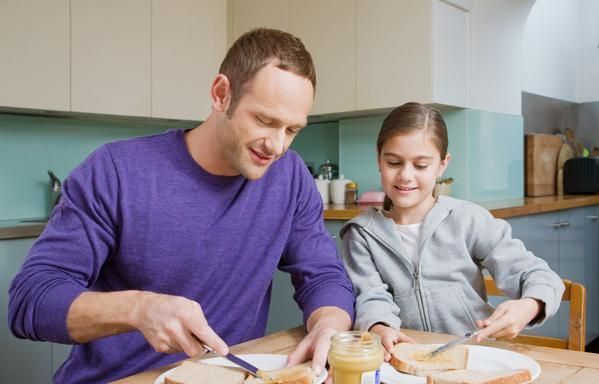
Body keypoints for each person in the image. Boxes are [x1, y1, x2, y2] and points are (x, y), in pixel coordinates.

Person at [8, 28, 354, 383]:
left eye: (292, 129)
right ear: (221, 94)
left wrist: (329, 325)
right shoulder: (116, 171)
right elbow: (31, 300)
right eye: (265, 121)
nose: (277, 145)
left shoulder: (290, 178)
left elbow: (323, 274)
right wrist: (140, 308)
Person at [340, 102, 565, 361]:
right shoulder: (361, 234)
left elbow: (537, 274)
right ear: (379, 159)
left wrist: (530, 305)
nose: (405, 175)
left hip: (475, 356)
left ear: (442, 165)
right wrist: (380, 328)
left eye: (421, 165)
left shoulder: (468, 219)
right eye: (393, 162)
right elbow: (370, 295)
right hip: (403, 361)